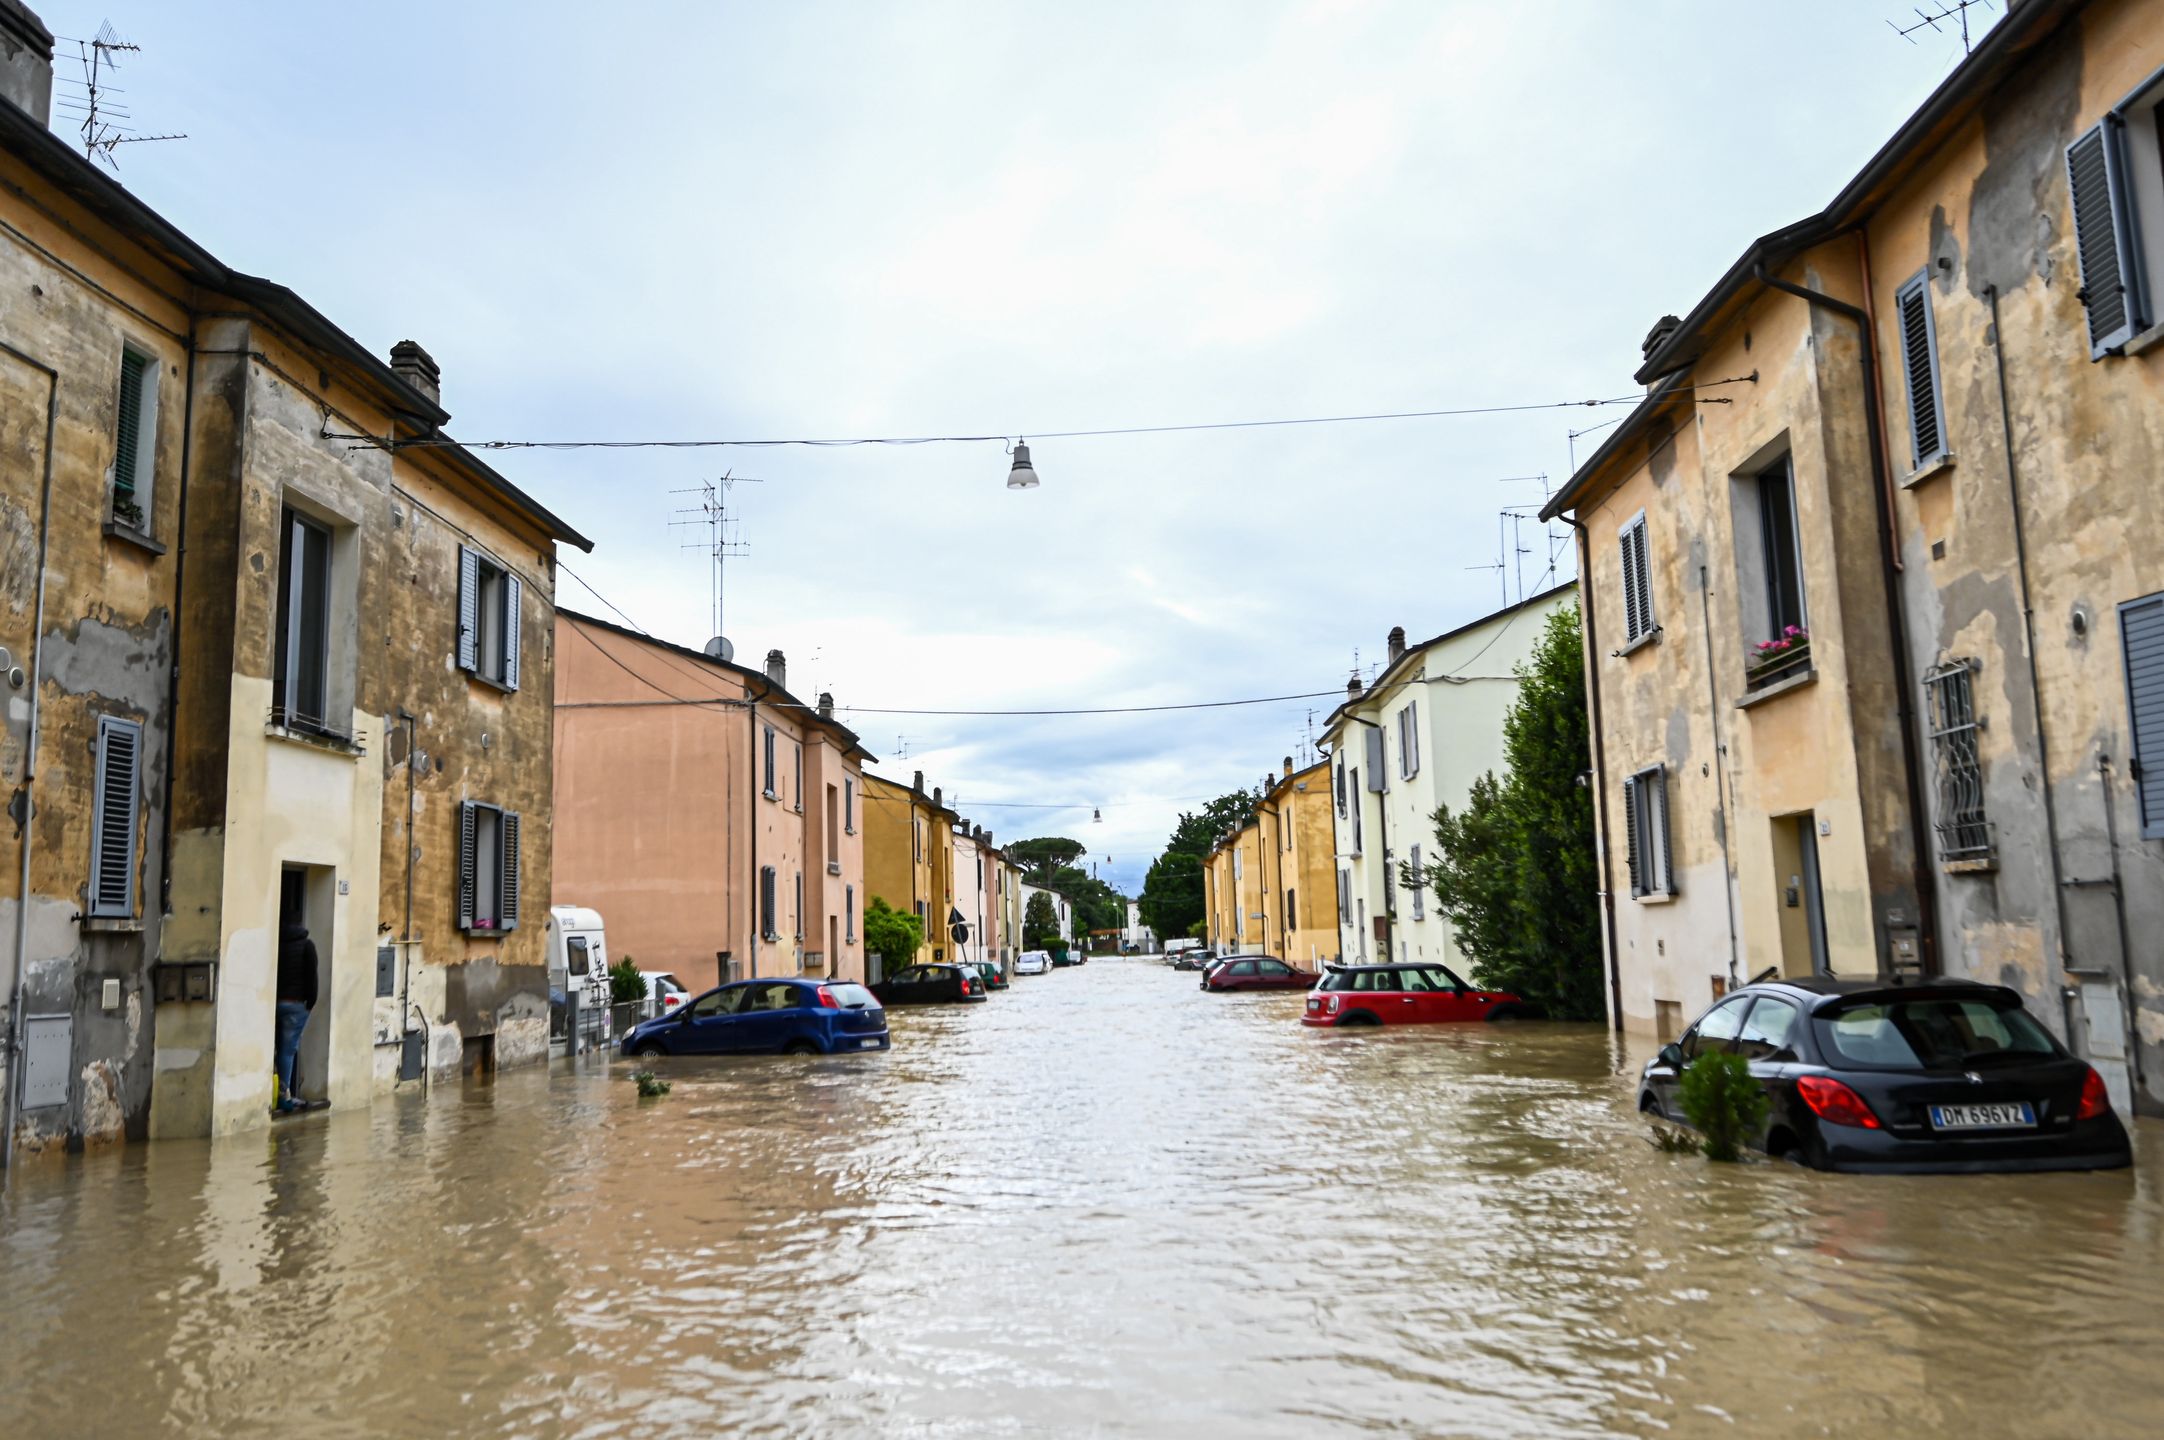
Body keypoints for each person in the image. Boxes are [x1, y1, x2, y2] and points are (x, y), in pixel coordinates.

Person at [274, 922, 319, 1113]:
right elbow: (312, 977)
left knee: (275, 1048)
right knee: (287, 1051)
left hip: (275, 1002)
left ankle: (275, 1091)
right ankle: (285, 1097)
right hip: (296, 1004)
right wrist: (310, 1003)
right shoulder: (307, 945)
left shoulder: (277, 944)